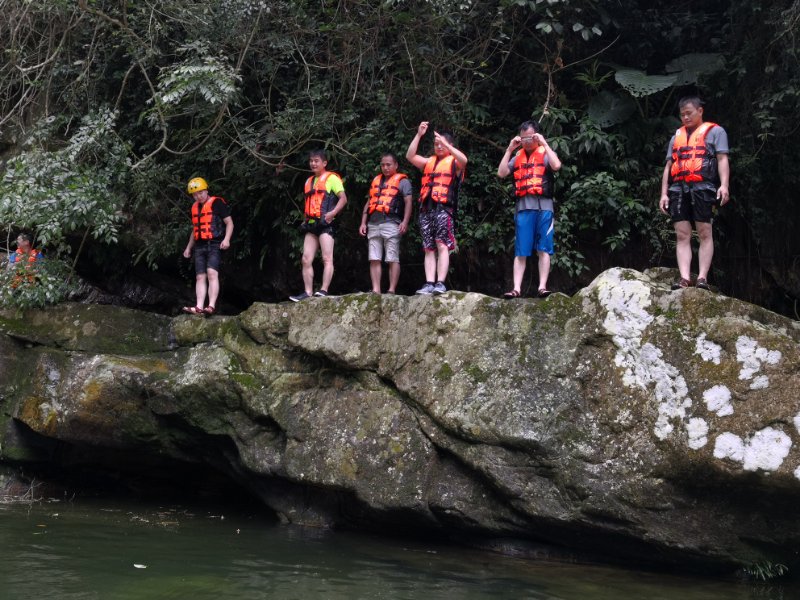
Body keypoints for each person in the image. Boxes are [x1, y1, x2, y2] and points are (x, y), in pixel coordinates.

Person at [659, 96, 730, 290]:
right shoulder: (676, 136)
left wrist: (724, 185)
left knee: (705, 232)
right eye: (682, 115)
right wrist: (664, 193)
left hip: (703, 187)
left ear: (700, 111)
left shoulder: (716, 132)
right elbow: (669, 166)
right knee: (682, 234)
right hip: (678, 188)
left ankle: (702, 278)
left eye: (689, 113)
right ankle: (684, 278)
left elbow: (722, 159)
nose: (685, 117)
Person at [497, 120, 562, 298]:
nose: (526, 141)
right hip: (523, 208)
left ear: (537, 136)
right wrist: (509, 149)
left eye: (530, 137)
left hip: (544, 208)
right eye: (523, 138)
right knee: (521, 250)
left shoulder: (545, 153)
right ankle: (516, 288)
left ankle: (542, 286)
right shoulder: (517, 155)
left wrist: (544, 143)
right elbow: (501, 173)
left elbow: (556, 166)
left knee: (543, 248)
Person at [405, 121, 467, 295]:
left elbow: (464, 160)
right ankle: (429, 283)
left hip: (444, 209)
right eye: (436, 144)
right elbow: (410, 156)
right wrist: (419, 135)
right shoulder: (429, 162)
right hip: (426, 209)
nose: (438, 147)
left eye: (442, 144)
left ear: (449, 145)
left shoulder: (455, 163)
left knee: (442, 244)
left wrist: (446, 144)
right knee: (428, 247)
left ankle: (440, 283)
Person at [290, 150, 348, 301]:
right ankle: (308, 292)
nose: (313, 164)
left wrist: (333, 213)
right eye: (311, 161)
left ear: (324, 163)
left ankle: (323, 289)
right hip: (311, 224)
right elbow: (309, 203)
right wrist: (304, 219)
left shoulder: (332, 178)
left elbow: (343, 198)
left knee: (327, 257)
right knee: (305, 259)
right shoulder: (308, 181)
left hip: (326, 223)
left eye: (316, 161)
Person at [358, 153, 413, 294]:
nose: (385, 167)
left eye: (388, 164)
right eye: (383, 165)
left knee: (392, 257)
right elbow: (369, 202)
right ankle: (376, 290)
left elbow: (408, 202)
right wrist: (363, 222)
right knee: (374, 258)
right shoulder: (377, 180)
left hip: (392, 222)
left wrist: (405, 222)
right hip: (373, 223)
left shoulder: (403, 182)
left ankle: (391, 289)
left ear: (396, 165)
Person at [182, 177, 234, 315]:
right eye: (195, 194)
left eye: (200, 193)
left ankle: (210, 306)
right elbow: (195, 230)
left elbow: (229, 223)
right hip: (200, 245)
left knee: (212, 273)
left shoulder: (217, 203)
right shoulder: (195, 207)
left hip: (215, 244)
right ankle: (199, 306)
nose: (198, 196)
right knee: (200, 276)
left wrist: (227, 239)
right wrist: (188, 247)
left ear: (206, 190)